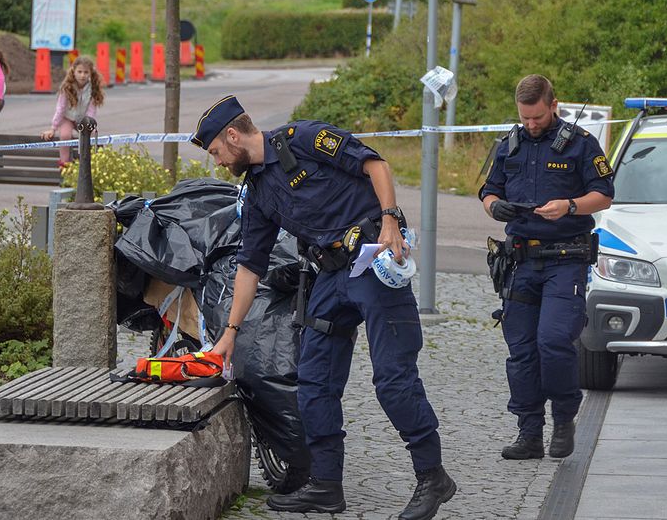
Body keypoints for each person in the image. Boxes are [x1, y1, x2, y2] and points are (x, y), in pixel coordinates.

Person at [192, 96, 455, 520]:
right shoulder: (258, 191)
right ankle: (326, 485)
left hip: (373, 263)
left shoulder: (304, 138)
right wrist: (230, 333)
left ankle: (433, 476)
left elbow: (376, 166)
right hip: (330, 278)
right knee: (313, 381)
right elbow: (250, 264)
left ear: (233, 136)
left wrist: (390, 219)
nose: (218, 161)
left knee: (393, 379)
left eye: (217, 152)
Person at [479, 74, 613, 460]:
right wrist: (493, 206)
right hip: (520, 260)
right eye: (525, 117)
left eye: (537, 117)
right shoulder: (510, 144)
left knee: (553, 341)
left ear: (554, 106)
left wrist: (569, 206)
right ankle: (529, 432)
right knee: (521, 349)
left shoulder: (581, 145)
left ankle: (563, 418)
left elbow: (604, 195)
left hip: (565, 259)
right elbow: (488, 190)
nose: (531, 124)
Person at [41, 56, 105, 165]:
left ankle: (92, 163)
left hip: (84, 119)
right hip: (68, 118)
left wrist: (88, 126)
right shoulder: (67, 87)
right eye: (79, 72)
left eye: (86, 72)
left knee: (93, 134)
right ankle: (65, 164)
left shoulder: (93, 88)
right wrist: (53, 128)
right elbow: (60, 108)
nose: (82, 75)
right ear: (74, 71)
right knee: (65, 135)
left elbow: (91, 111)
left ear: (90, 73)